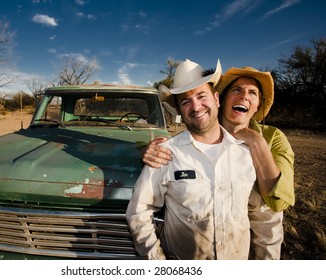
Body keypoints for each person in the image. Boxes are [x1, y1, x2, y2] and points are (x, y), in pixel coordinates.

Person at [142, 66, 295, 259]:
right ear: (221, 100)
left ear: (258, 105)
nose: (244, 97)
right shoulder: (193, 138)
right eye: (237, 90)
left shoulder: (272, 138)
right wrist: (147, 151)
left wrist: (257, 142)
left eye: (252, 93)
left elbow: (275, 205)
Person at [126, 59, 257, 260]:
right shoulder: (165, 154)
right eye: (186, 101)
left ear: (216, 99)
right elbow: (139, 212)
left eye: (201, 96)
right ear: (179, 110)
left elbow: (263, 217)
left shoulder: (246, 152)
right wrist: (157, 262)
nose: (196, 107)